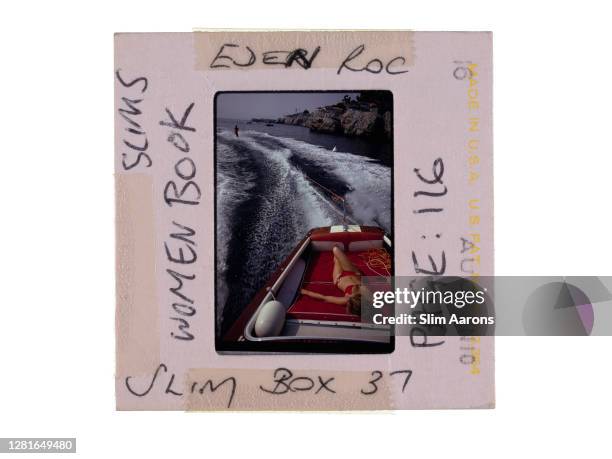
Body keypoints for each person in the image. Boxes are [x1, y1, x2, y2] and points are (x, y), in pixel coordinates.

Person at [300, 246, 366, 316]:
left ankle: (337, 259)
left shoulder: (346, 300)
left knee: (336, 255)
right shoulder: (366, 293)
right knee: (336, 249)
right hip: (353, 272)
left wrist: (305, 292)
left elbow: (324, 298)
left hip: (339, 277)